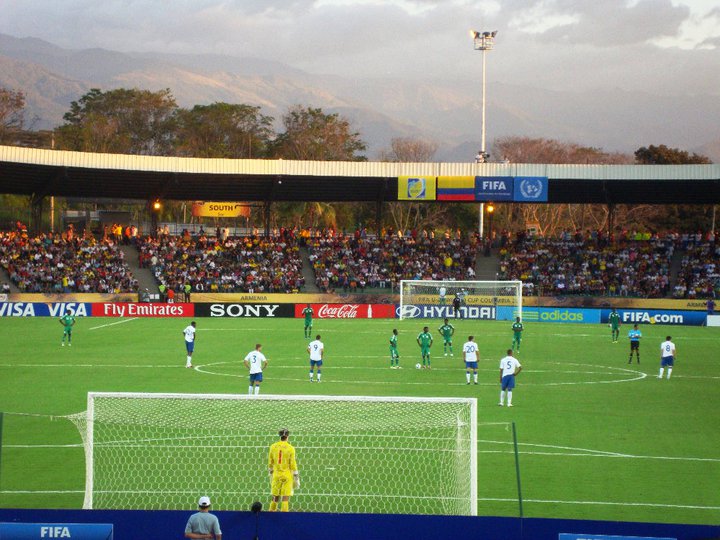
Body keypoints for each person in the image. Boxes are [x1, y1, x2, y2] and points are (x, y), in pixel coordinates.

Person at [268, 428, 300, 512]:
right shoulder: (291, 448)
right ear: (287, 436)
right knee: (285, 497)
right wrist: (296, 474)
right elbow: (292, 463)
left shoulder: (273, 446)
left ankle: (271, 512)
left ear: (280, 436)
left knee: (275, 496)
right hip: (287, 475)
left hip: (276, 474)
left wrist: (270, 471)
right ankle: (284, 514)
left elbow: (270, 461)